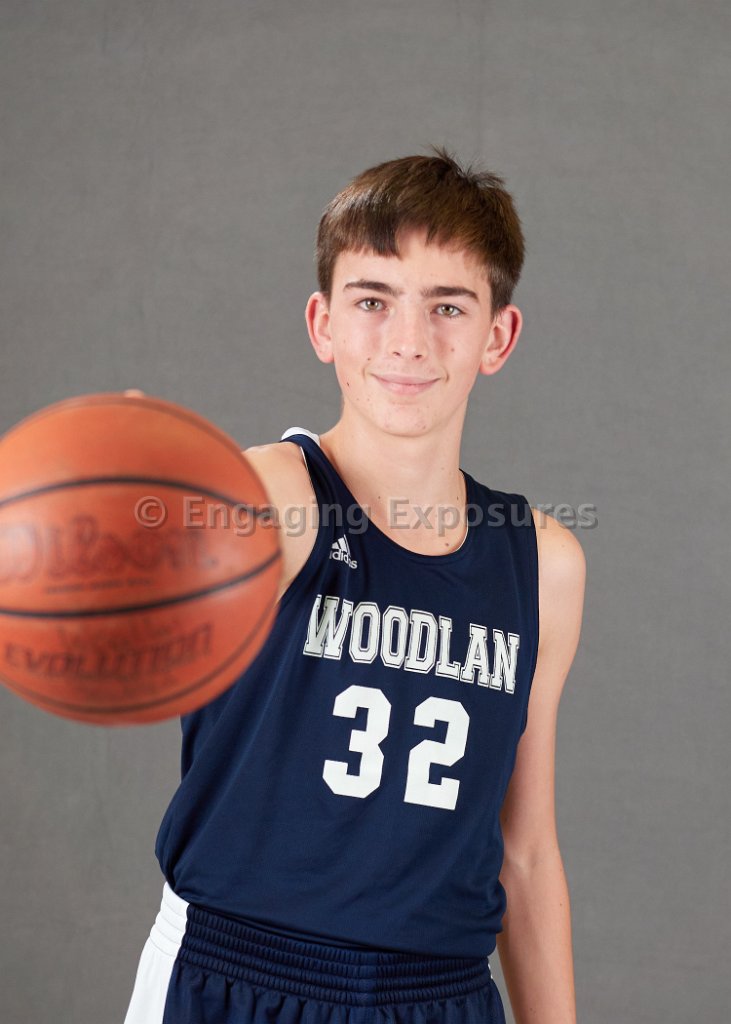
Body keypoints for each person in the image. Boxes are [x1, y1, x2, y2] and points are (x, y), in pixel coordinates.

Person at [124, 147, 585, 1024]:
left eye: (447, 306)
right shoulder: (278, 494)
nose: (408, 340)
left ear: (497, 336)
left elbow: (525, 853)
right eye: (372, 301)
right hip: (234, 979)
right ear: (322, 323)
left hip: (441, 996)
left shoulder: (541, 562)